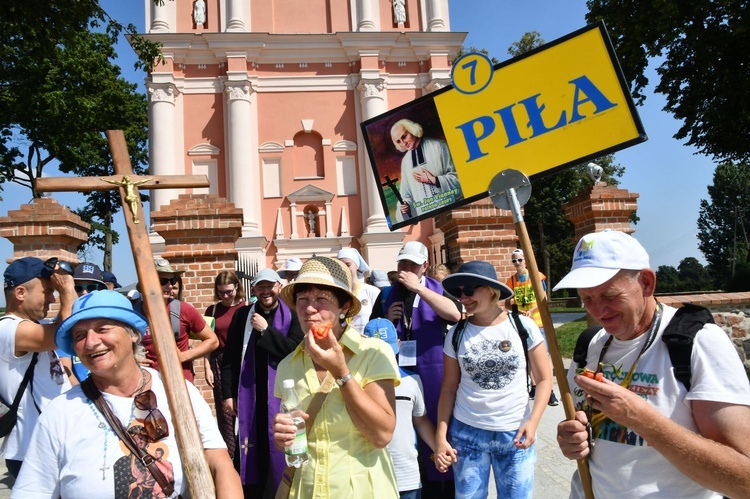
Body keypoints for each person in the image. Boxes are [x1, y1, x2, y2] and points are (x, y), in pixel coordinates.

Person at [554, 230, 750, 498]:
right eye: (587, 299)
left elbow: (743, 480)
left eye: (610, 296)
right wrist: (573, 438)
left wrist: (640, 418)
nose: (598, 312)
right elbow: (596, 435)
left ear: (646, 283)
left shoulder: (698, 343)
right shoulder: (591, 343)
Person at [12, 290, 242, 497]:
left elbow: (219, 464)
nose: (91, 342)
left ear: (132, 333)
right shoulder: (59, 414)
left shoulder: (179, 393)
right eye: (80, 335)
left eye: (103, 329)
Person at [272, 257, 400, 497]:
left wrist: (342, 373)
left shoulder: (372, 353)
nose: (309, 308)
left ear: (343, 307)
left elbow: (382, 435)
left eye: (321, 299)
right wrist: (283, 437)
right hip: (307, 490)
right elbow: (292, 444)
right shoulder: (287, 366)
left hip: (361, 490)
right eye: (302, 299)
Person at [435, 260, 552, 498]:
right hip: (467, 433)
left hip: (514, 433)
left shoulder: (523, 327)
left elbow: (544, 379)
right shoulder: (456, 334)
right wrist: (440, 435)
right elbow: (448, 389)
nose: (463, 297)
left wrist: (534, 422)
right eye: (459, 292)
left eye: (469, 290)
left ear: (490, 290)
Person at [370, 240, 462, 496]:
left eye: (412, 264)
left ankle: (442, 481)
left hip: (433, 370)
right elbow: (372, 332)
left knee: (434, 421)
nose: (406, 269)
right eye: (402, 263)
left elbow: (455, 315)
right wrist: (388, 320)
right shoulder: (387, 294)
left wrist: (419, 290)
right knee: (405, 431)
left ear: (425, 266)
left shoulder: (437, 288)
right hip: (399, 372)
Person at [221, 268, 304, 497]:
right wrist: (228, 394)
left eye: (270, 286)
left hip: (282, 396)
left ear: (279, 287)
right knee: (252, 449)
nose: (266, 291)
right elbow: (230, 357)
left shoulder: (293, 315)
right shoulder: (242, 316)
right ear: (254, 290)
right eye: (261, 287)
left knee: (278, 445)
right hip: (250, 395)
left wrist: (266, 330)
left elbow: (292, 351)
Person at [1, 257, 75, 480]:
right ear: (21, 293)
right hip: (31, 451)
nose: (53, 298)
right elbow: (63, 335)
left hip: (53, 444)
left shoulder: (38, 325)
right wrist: (67, 293)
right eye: (47, 292)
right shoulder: (7, 329)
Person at [364, 318, 437, 498]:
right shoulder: (354, 383)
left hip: (407, 475)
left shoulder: (413, 380)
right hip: (368, 476)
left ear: (398, 344)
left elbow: (420, 420)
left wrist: (438, 448)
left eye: (387, 349)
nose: (382, 356)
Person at [140, 258, 219, 383]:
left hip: (181, 382)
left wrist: (183, 356)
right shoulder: (133, 312)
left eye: (173, 280)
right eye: (163, 281)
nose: (170, 286)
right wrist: (132, 360)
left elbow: (213, 341)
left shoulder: (184, 309)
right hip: (148, 385)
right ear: (148, 282)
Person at [505, 249, 559, 406]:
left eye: (519, 260)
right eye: (514, 261)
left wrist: (532, 310)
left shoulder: (536, 276)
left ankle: (549, 390)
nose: (517, 263)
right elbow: (508, 303)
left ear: (525, 261)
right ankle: (534, 386)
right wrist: (517, 310)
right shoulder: (511, 281)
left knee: (544, 355)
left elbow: (544, 297)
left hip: (538, 322)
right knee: (528, 356)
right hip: (522, 323)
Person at [204, 270, 247, 458]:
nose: (225, 296)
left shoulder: (248, 307)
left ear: (236, 287)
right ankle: (230, 455)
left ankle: (247, 451)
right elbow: (206, 341)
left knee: (246, 405)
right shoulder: (211, 311)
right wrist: (207, 367)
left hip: (243, 360)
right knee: (225, 411)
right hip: (220, 362)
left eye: (229, 291)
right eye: (221, 292)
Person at [390, 119, 463, 222]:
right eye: (398, 141)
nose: (403, 143)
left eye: (404, 136)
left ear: (412, 131)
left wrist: (434, 180)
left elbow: (459, 178)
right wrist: (405, 205)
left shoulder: (439, 146)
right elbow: (406, 194)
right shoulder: (406, 161)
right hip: (425, 218)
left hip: (449, 213)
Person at [337, 247, 380, 333]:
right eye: (341, 266)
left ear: (356, 266)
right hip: (344, 343)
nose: (344, 269)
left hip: (367, 342)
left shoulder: (372, 291)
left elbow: (379, 320)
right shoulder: (337, 293)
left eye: (348, 265)